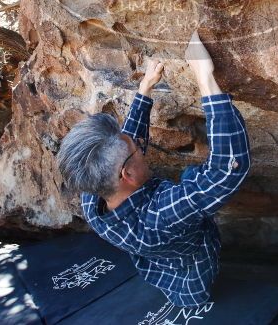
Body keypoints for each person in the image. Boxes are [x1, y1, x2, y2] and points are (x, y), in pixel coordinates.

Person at [57, 31, 251, 307]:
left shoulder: (94, 197)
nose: (138, 142)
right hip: (190, 277)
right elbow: (225, 173)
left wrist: (145, 89)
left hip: (154, 263)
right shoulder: (157, 217)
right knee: (195, 299)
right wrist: (204, 77)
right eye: (136, 147)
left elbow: (120, 151)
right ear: (128, 176)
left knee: (159, 266)